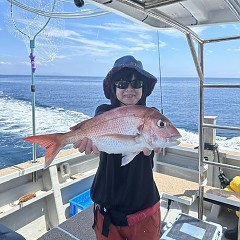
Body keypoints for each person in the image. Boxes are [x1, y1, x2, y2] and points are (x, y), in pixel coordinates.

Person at [73, 55, 161, 240]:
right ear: (113, 87)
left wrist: (156, 145)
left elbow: (158, 139)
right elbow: (100, 126)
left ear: (143, 88)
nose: (129, 89)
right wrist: (88, 142)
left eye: (137, 83)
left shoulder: (153, 116)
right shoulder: (103, 112)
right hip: (107, 213)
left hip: (144, 209)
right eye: (122, 83)